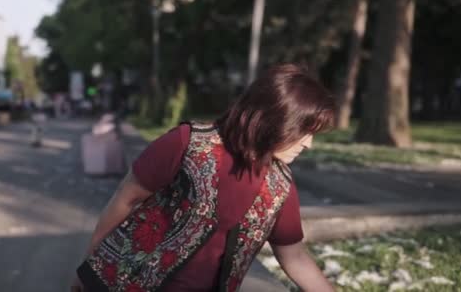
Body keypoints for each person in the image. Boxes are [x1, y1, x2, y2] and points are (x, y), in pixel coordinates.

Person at [72, 64, 336, 292]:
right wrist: (89, 266)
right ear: (275, 118)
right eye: (304, 132)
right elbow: (126, 199)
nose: (309, 144)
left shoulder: (280, 187)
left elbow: (295, 256)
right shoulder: (187, 144)